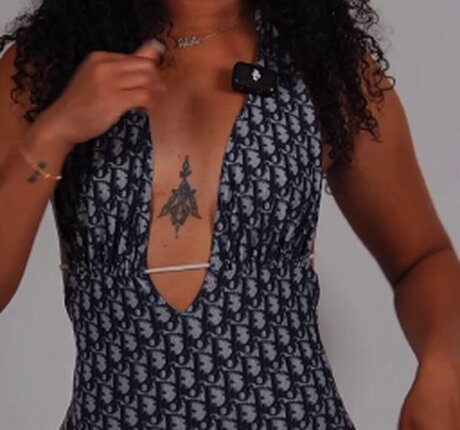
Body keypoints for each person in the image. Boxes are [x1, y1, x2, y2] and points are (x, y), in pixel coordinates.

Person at [0, 0, 459, 428]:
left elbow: (422, 258)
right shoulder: (45, 65)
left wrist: (444, 364)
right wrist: (54, 133)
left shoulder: (323, 65)